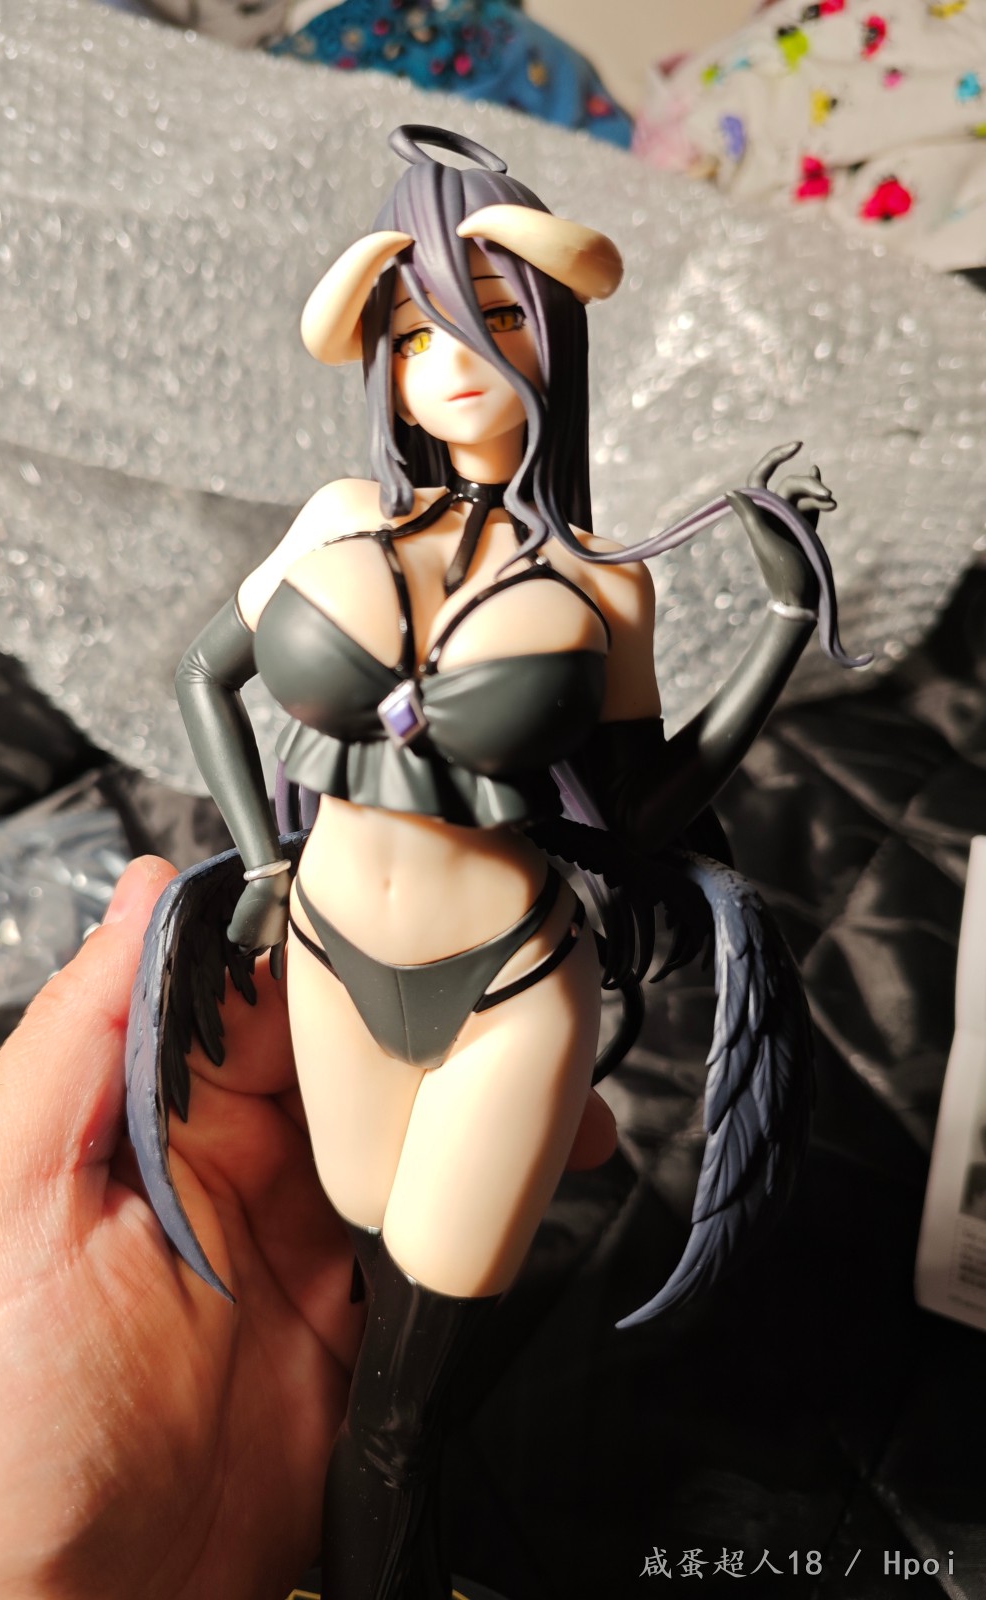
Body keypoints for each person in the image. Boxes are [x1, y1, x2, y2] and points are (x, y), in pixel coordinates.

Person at [161, 125, 857, 1598]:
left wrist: (783, 631)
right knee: (376, 1312)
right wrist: (262, 865)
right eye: (417, 332)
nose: (455, 362)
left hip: (511, 993)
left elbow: (638, 812)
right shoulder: (340, 519)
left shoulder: (607, 579)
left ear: (555, 337)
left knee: (396, 1408)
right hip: (331, 967)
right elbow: (206, 676)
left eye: (494, 319)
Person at [0, 854, 617, 1600]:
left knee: (398, 1410)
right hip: (330, 941)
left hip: (509, 968)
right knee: (390, 1375)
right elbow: (221, 712)